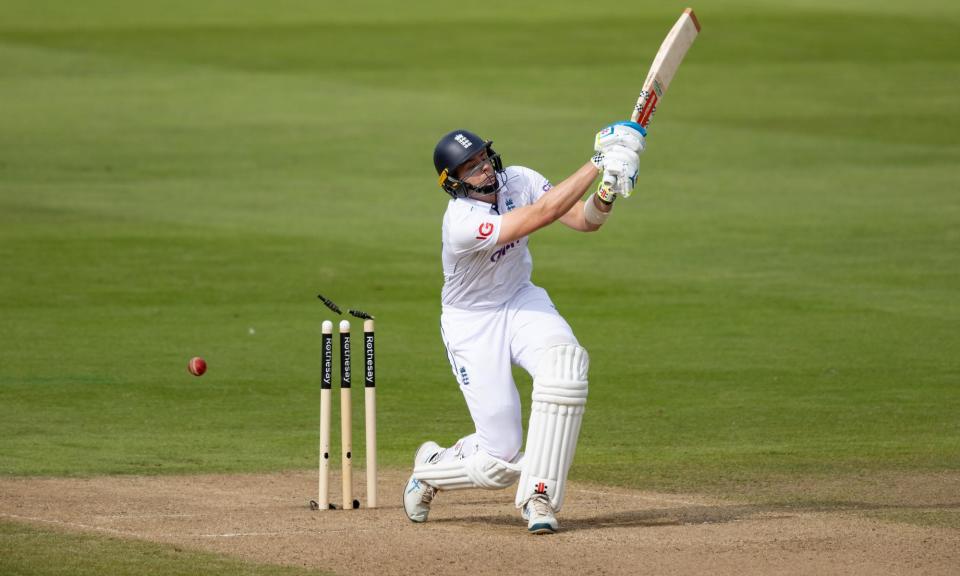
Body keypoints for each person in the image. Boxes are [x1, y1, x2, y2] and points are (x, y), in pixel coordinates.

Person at [402, 122, 646, 534]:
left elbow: (584, 221)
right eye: (470, 166)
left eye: (482, 157)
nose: (482, 167)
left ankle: (539, 495)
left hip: (520, 299)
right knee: (498, 458)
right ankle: (431, 468)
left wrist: (606, 191)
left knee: (565, 368)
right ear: (454, 183)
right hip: (472, 322)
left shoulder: (521, 178)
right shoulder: (460, 222)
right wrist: (599, 160)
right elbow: (542, 215)